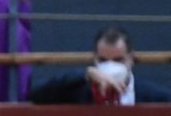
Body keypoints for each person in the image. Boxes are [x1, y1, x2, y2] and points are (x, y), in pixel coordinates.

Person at [30, 26, 171, 105]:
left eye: (118, 60)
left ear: (131, 58)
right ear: (95, 58)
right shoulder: (79, 91)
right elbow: (36, 95)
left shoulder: (154, 96)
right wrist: (85, 74)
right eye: (103, 60)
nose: (110, 66)